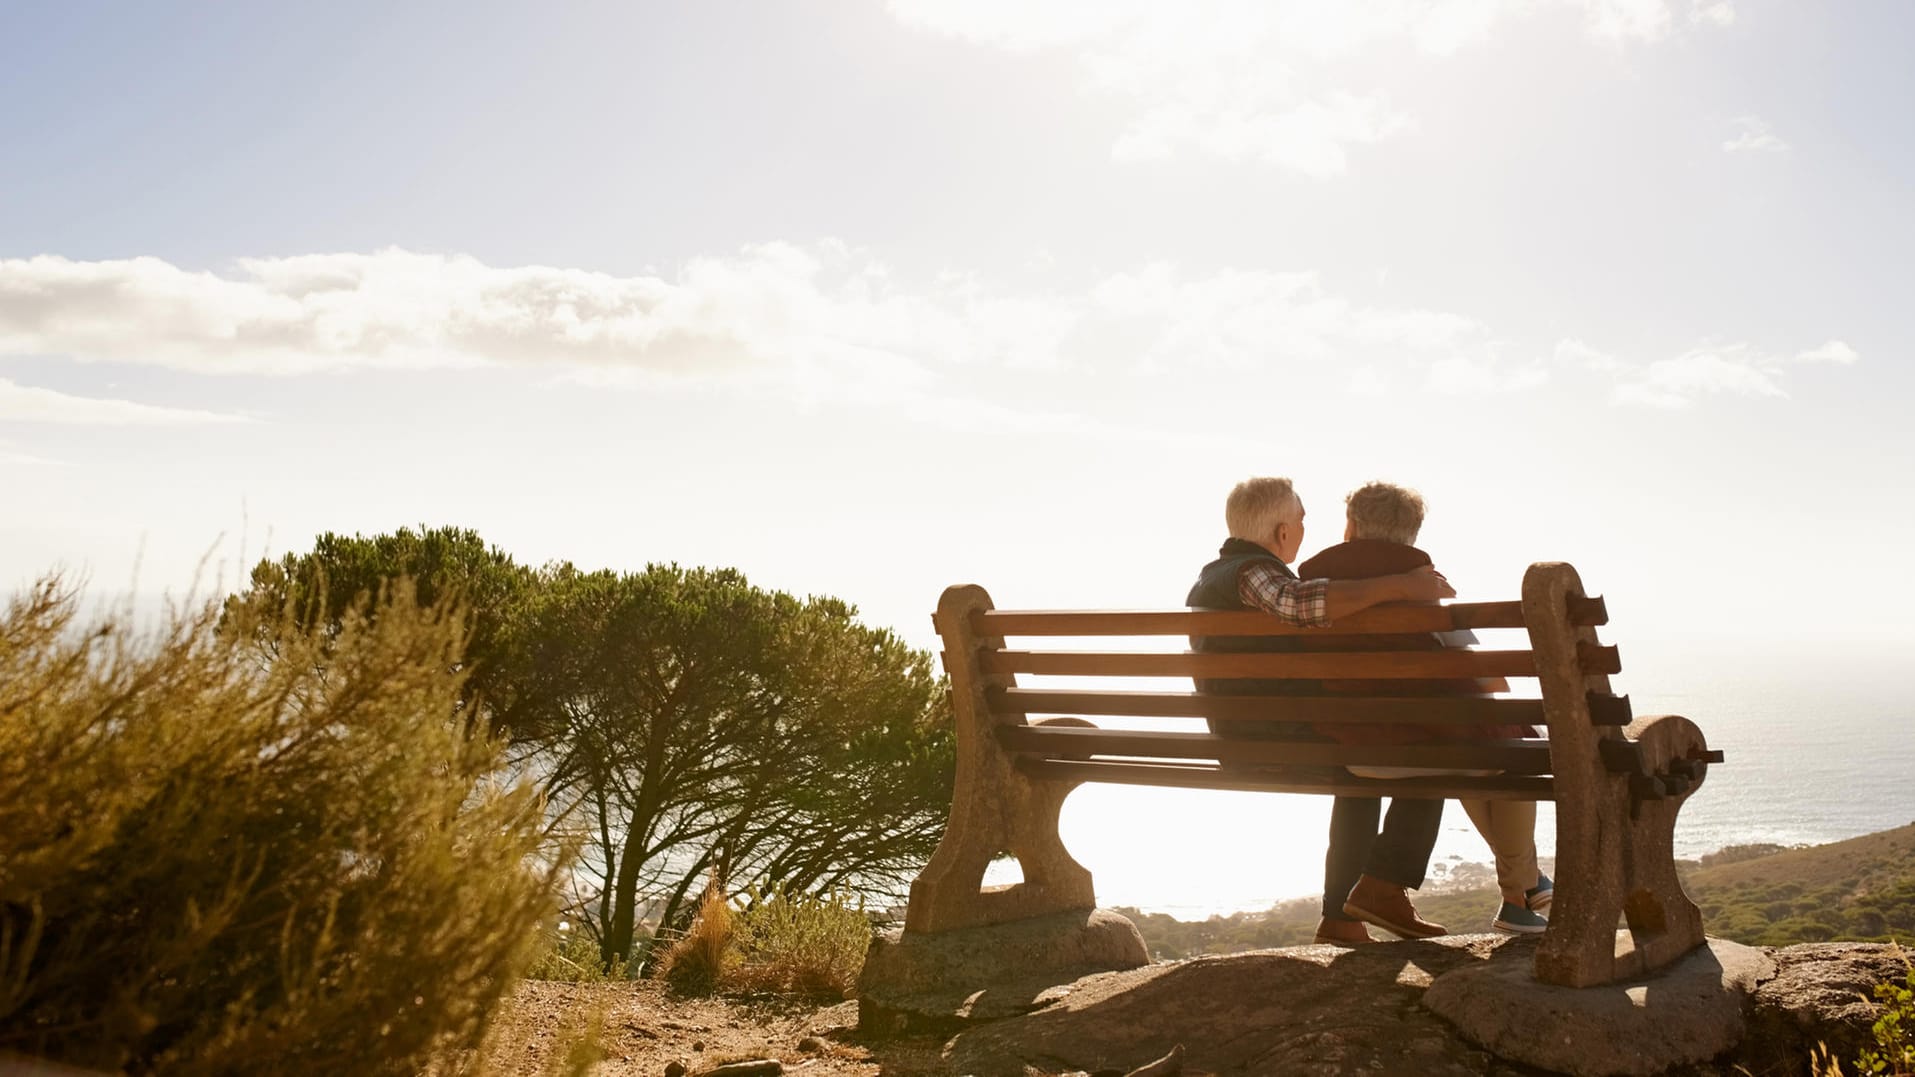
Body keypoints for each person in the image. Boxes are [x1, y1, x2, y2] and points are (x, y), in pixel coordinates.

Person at [1186, 476, 1457, 946]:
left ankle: (1342, 918)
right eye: (1301, 520)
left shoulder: (1223, 574)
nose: (1305, 530)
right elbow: (1298, 605)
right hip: (1268, 736)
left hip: (1252, 729)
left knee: (1364, 764)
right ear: (1283, 531)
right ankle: (1381, 889)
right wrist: (1400, 585)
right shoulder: (1251, 574)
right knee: (1428, 753)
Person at [1295, 481, 1553, 935]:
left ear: (1351, 526)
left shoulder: (1313, 581)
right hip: (1415, 748)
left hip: (1351, 750)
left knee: (1473, 750)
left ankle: (1527, 886)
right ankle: (1519, 894)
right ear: (1411, 533)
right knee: (1514, 753)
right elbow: (1467, 670)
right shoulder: (1420, 578)